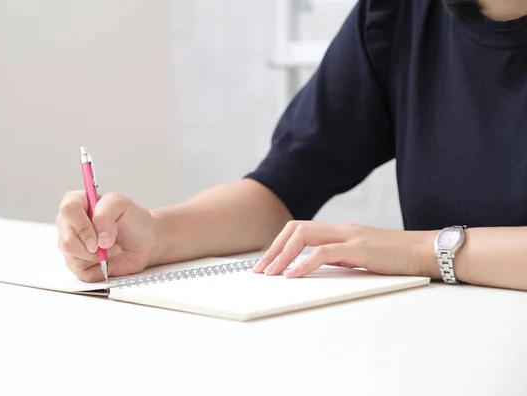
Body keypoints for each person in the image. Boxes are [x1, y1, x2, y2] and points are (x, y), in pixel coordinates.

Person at [56, 0, 527, 291]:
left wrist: (421, 252)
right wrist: (156, 235)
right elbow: (279, 190)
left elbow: (415, 252)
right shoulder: (398, 13)